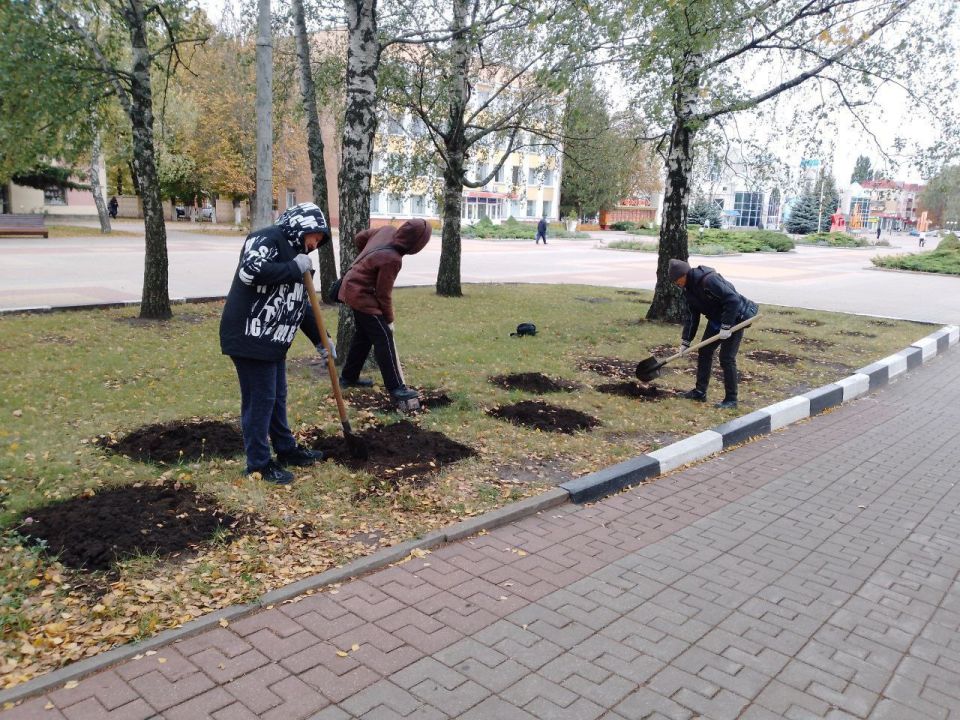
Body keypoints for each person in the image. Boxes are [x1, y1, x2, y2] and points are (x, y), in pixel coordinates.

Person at [220, 202, 333, 485]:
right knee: (260, 401)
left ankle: (286, 449)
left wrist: (322, 339)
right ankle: (258, 464)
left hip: (273, 340)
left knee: (276, 397)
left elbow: (301, 305)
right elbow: (250, 271)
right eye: (315, 236)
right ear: (301, 226)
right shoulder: (266, 238)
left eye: (320, 240)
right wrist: (293, 267)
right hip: (250, 334)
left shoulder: (297, 255)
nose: (315, 243)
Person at [337, 219, 431, 403]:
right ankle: (396, 387)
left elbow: (360, 237)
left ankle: (348, 377)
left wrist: (366, 259)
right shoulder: (392, 259)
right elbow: (383, 294)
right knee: (383, 338)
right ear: (416, 244)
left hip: (350, 287)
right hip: (362, 295)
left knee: (363, 337)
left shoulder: (386, 230)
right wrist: (389, 319)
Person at [669, 258, 758, 410]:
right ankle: (700, 392)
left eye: (677, 281)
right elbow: (692, 317)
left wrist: (726, 325)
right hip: (717, 320)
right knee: (704, 351)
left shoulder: (709, 280)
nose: (677, 284)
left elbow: (733, 300)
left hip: (734, 318)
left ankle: (731, 399)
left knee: (726, 358)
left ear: (684, 275)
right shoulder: (688, 291)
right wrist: (686, 341)